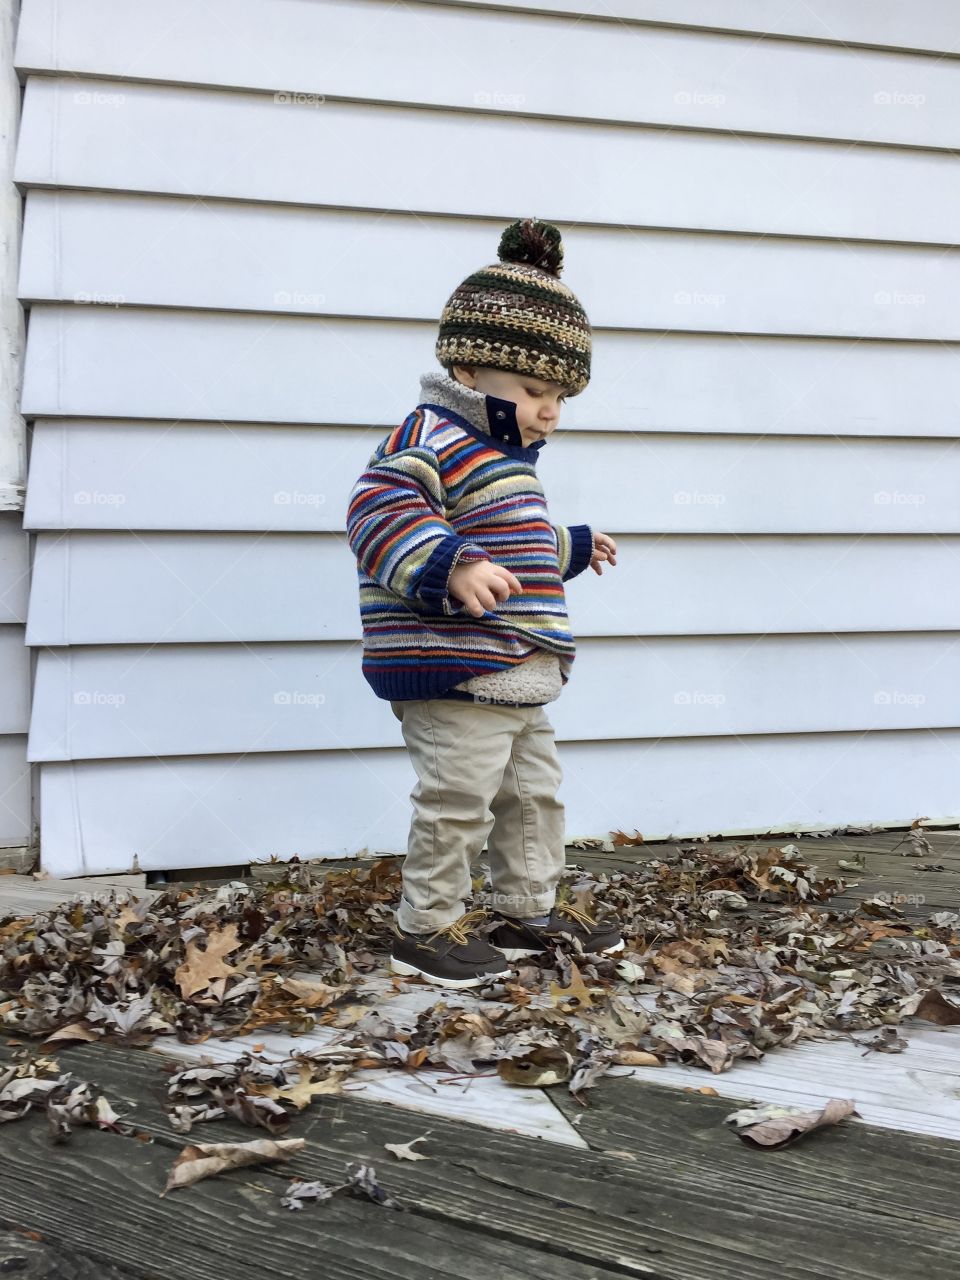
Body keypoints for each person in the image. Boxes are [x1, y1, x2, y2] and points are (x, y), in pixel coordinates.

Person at [346, 217, 624, 988]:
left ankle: (524, 907)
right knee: (459, 797)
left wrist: (569, 546)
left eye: (562, 397)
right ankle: (426, 924)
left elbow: (515, 547)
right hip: (454, 666)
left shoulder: (506, 459)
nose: (550, 411)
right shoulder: (430, 434)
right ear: (470, 370)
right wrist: (449, 563)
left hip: (517, 669)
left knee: (532, 794)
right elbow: (379, 511)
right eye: (536, 390)